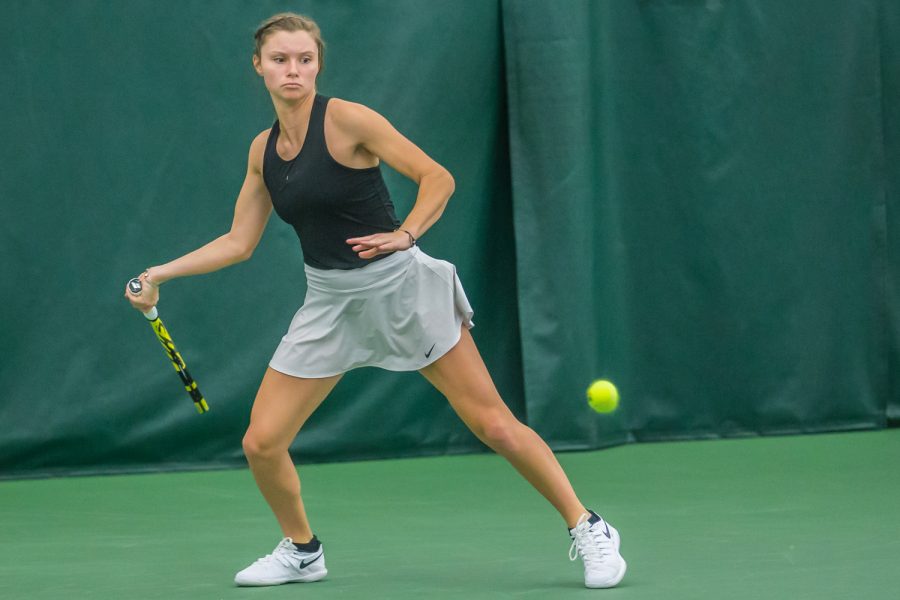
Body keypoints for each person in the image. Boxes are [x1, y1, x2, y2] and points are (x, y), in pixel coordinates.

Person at [124, 12, 626, 590]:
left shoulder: (348, 120)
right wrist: (159, 273)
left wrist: (406, 232)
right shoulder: (263, 150)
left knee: (494, 424)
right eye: (281, 59)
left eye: (305, 59)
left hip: (402, 290)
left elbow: (437, 177)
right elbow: (239, 242)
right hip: (329, 301)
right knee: (262, 442)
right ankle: (303, 550)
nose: (294, 70)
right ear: (258, 66)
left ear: (319, 64)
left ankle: (588, 526)